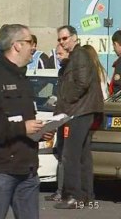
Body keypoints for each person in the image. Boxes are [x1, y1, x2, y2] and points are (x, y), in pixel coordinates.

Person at [0, 24, 54, 219]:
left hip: (26, 168)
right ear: (16, 45)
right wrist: (22, 128)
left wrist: (39, 132)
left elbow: (23, 122)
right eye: (29, 42)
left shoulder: (23, 79)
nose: (33, 47)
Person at [54, 25, 104, 209]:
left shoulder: (79, 54)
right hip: (82, 110)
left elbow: (82, 82)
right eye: (59, 39)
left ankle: (74, 196)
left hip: (79, 111)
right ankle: (86, 196)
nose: (61, 42)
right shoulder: (76, 56)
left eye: (64, 38)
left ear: (74, 38)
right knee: (82, 154)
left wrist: (68, 100)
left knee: (70, 154)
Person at [44, 43, 69, 202]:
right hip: (59, 117)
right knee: (62, 156)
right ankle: (60, 190)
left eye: (60, 54)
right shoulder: (62, 71)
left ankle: (64, 191)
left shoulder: (71, 71)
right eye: (57, 54)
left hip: (68, 118)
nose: (58, 57)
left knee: (66, 157)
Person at [109, 30, 121, 95]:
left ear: (116, 44)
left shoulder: (119, 62)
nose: (114, 49)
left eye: (113, 45)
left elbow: (118, 87)